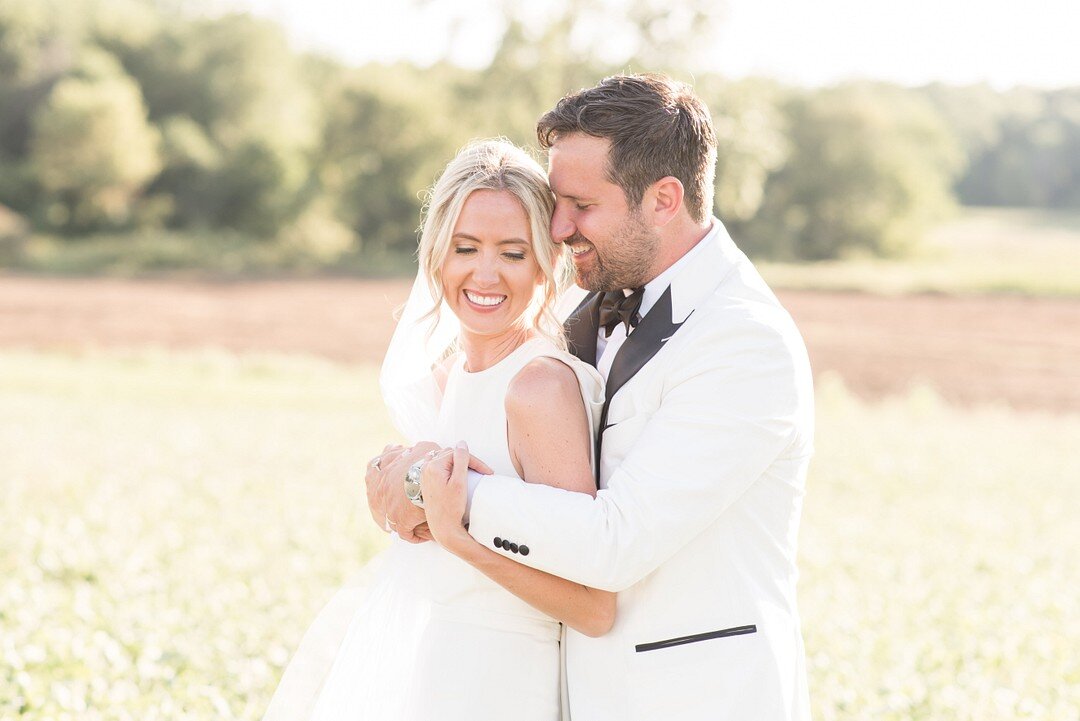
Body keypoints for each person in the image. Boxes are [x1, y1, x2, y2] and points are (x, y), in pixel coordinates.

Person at [369, 74, 815, 721]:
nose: (558, 225)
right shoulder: (588, 311)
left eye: (580, 204)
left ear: (663, 199)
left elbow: (617, 539)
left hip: (697, 700)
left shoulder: (743, 342)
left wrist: (435, 487)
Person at [262, 138, 610, 721]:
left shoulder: (539, 388)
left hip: (505, 688)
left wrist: (456, 537)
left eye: (513, 253)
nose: (485, 273)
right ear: (436, 257)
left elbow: (593, 606)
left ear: (547, 262)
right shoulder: (445, 379)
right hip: (434, 674)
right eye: (465, 247)